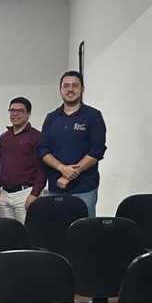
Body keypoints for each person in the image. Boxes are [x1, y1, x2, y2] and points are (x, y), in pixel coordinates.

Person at [37, 70, 107, 217]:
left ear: (82, 89)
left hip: (85, 189)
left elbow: (97, 149)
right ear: (60, 90)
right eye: (66, 86)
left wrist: (68, 175)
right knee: (57, 229)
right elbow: (42, 149)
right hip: (56, 187)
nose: (70, 89)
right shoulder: (51, 118)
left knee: (84, 229)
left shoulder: (93, 115)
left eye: (75, 85)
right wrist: (62, 168)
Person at [0, 97, 47, 223]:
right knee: (7, 231)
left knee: (26, 231)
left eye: (20, 111)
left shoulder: (36, 137)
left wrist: (34, 194)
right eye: (12, 110)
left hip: (25, 194)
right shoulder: (4, 137)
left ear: (29, 114)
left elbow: (41, 169)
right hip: (4, 195)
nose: (15, 114)